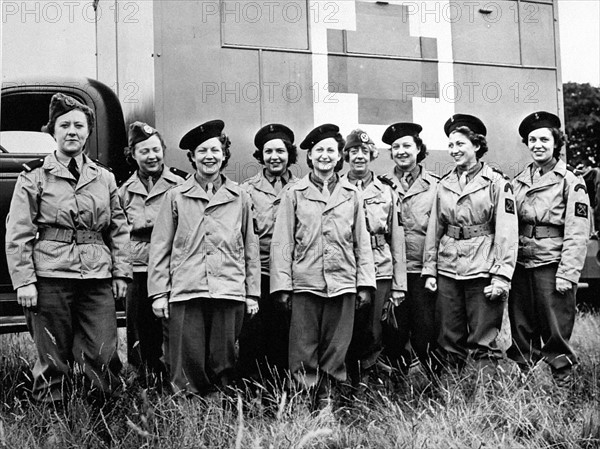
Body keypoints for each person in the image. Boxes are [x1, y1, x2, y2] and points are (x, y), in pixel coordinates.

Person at [5, 93, 131, 404]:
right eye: (64, 125)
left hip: (97, 277)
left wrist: (121, 273)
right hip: (50, 276)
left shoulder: (104, 177)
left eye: (79, 125)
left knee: (103, 352)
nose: (72, 131)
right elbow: (18, 232)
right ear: (53, 131)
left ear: (88, 131)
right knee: (52, 357)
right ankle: (55, 428)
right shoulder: (33, 175)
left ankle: (104, 425)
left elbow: (118, 228)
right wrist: (24, 281)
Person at [148, 119, 261, 396]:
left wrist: (252, 293)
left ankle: (219, 416)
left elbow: (250, 247)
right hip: (187, 290)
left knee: (223, 360)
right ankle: (189, 419)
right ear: (192, 158)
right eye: (202, 151)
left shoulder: (241, 197)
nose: (209, 156)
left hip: (229, 290)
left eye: (214, 150)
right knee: (187, 360)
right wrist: (159, 294)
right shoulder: (175, 196)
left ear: (224, 155)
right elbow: (160, 247)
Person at [270, 123, 376, 411]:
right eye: (319, 151)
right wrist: (282, 286)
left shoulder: (352, 194)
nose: (325, 156)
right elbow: (282, 243)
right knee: (303, 348)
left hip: (343, 284)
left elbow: (361, 243)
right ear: (310, 157)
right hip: (306, 283)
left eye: (331, 150)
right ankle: (303, 405)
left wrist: (364, 284)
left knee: (336, 348)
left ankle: (328, 405)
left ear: (339, 155)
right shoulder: (294, 193)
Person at [422, 114, 518, 380]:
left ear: (476, 145)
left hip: (482, 268)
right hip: (449, 269)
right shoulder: (444, 184)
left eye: (460, 144)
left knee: (483, 340)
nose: (454, 150)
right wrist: (430, 270)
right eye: (451, 145)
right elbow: (435, 229)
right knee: (449, 339)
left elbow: (507, 233)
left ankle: (486, 401)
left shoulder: (497, 182)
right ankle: (453, 397)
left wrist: (501, 275)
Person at [507, 111, 590, 386]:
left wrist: (568, 274)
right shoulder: (519, 181)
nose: (537, 145)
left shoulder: (570, 181)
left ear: (556, 143)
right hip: (522, 266)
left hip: (552, 266)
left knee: (556, 332)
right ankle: (525, 391)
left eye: (544, 139)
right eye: (532, 140)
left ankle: (562, 390)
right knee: (521, 330)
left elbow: (578, 233)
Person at [118, 122, 187, 381]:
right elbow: (117, 233)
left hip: (173, 266)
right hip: (138, 268)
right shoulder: (123, 191)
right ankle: (144, 378)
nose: (152, 156)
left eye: (156, 150)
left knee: (172, 326)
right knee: (139, 328)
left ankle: (176, 377)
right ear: (133, 155)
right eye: (144, 151)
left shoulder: (180, 184)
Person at [341, 128, 407, 390]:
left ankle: (369, 386)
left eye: (365, 152)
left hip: (379, 267)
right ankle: (344, 383)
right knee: (346, 329)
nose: (360, 157)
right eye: (354, 151)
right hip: (346, 269)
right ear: (346, 156)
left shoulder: (387, 191)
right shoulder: (336, 188)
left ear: (372, 155)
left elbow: (397, 239)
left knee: (374, 330)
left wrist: (399, 284)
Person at [237, 123, 299, 385]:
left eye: (281, 151)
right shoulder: (246, 190)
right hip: (258, 274)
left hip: (290, 276)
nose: (275, 157)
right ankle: (250, 395)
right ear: (260, 156)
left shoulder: (301, 189)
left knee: (285, 337)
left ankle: (281, 395)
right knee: (252, 337)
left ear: (290, 154)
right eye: (269, 151)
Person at [379, 122, 440, 378]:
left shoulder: (436, 186)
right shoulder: (380, 186)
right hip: (392, 273)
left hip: (423, 271)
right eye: (395, 147)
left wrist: (432, 270)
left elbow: (440, 231)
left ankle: (434, 384)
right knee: (394, 332)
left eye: (407, 145)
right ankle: (396, 388)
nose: (401, 151)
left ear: (418, 148)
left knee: (426, 332)